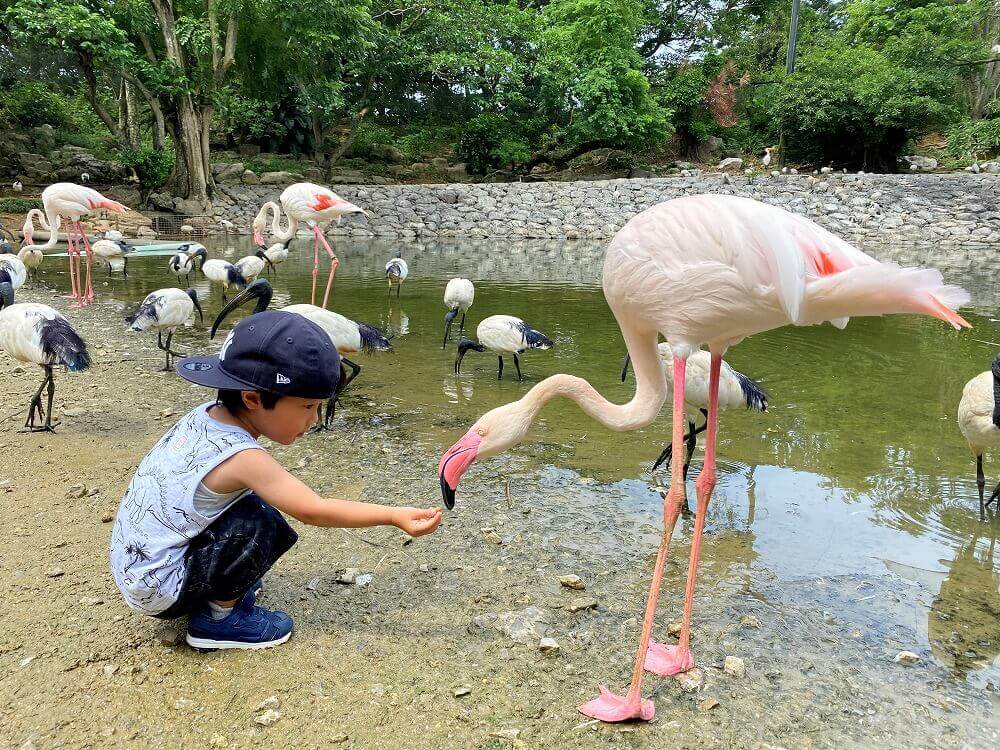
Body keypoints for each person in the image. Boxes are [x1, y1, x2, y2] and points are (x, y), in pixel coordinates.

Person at [110, 310, 441, 649]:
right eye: (308, 406)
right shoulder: (244, 459)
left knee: (248, 503)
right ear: (252, 399)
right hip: (160, 589)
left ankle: (213, 587)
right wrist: (393, 515)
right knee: (261, 520)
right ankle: (218, 622)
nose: (313, 420)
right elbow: (315, 510)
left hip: (138, 569)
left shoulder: (204, 417)